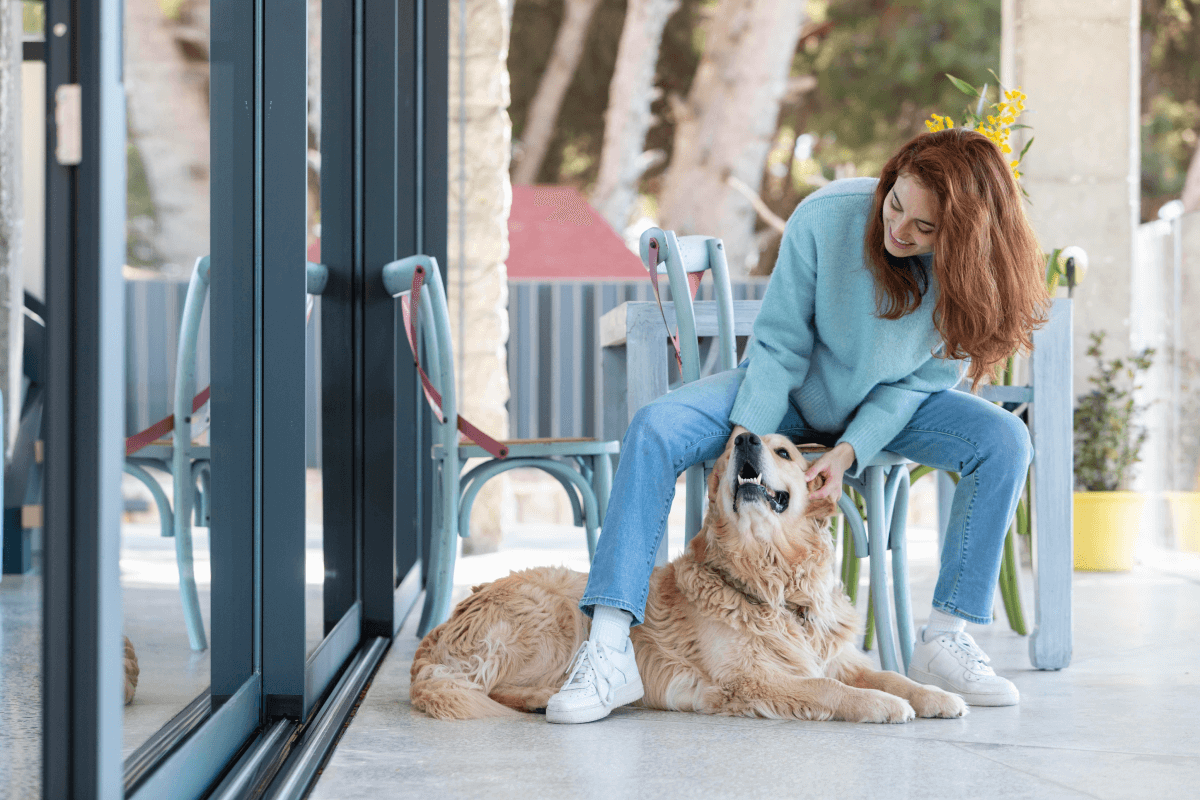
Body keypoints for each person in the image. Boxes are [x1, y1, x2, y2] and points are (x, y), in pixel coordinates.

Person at [544, 128, 1049, 724]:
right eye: (895, 204)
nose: (899, 229)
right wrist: (744, 442)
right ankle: (608, 651)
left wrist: (850, 452)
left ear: (964, 236)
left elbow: (917, 384)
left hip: (883, 409)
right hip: (783, 394)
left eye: (925, 228)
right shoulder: (827, 217)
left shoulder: (974, 281)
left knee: (1005, 439)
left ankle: (945, 638)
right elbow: (779, 345)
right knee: (657, 426)